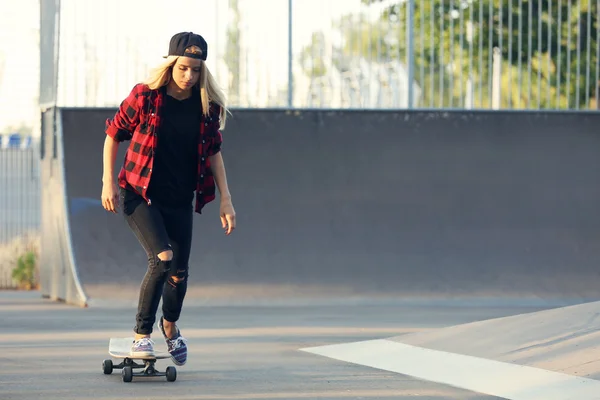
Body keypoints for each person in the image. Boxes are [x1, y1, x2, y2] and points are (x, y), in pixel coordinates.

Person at [100, 31, 236, 366]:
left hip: (179, 198)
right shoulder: (145, 96)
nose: (189, 76)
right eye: (184, 68)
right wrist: (108, 182)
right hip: (139, 192)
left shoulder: (207, 107)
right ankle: (141, 336)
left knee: (179, 273)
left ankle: (170, 327)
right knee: (162, 259)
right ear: (171, 64)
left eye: (196, 70)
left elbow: (214, 154)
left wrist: (226, 199)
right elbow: (113, 134)